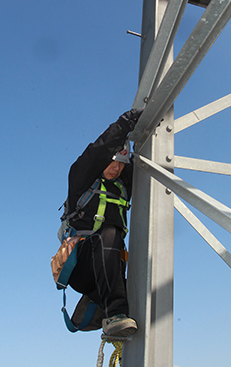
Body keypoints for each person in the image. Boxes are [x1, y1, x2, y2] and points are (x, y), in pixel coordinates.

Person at [65, 108, 143, 338]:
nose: (116, 168)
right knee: (108, 234)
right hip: (81, 265)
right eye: (112, 162)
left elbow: (140, 166)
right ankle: (114, 316)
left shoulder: (121, 185)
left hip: (109, 266)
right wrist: (124, 125)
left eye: (121, 164)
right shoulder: (81, 179)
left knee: (142, 291)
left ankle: (105, 304)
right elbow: (96, 152)